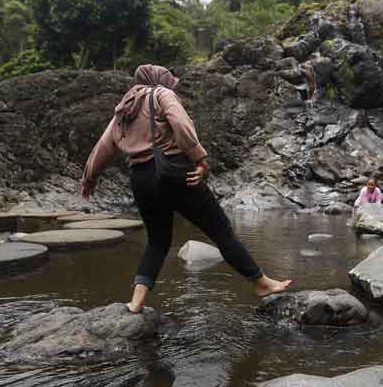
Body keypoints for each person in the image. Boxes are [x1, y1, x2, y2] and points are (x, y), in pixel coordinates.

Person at [81, 64, 292, 314]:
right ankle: (262, 283)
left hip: (141, 179)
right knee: (221, 230)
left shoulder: (124, 107)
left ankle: (136, 302)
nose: (173, 86)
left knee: (158, 242)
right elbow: (181, 125)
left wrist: (90, 178)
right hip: (174, 172)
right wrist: (200, 159)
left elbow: (104, 145)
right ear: (159, 79)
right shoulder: (161, 94)